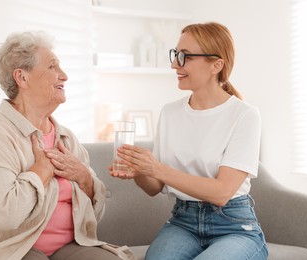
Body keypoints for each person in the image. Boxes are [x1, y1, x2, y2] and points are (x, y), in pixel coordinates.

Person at [0, 31, 131, 260]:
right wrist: (41, 171)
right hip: (4, 250)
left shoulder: (66, 139)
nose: (64, 76)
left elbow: (94, 216)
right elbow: (5, 215)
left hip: (66, 247)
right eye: (53, 67)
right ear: (22, 78)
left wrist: (85, 178)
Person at [110, 22, 269, 260]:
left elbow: (221, 192)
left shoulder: (244, 115)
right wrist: (140, 171)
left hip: (234, 226)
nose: (174, 64)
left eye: (184, 56)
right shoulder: (170, 112)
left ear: (216, 64)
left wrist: (157, 168)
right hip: (183, 222)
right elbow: (155, 187)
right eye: (175, 54)